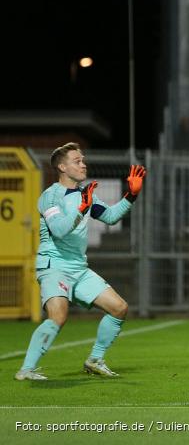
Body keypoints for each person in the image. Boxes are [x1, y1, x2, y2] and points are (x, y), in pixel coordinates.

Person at [15, 143, 146, 380]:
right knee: (59, 315)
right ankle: (26, 370)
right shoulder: (50, 196)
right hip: (53, 266)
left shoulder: (86, 195)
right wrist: (81, 209)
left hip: (78, 268)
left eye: (83, 159)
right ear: (62, 167)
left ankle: (95, 360)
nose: (83, 164)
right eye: (77, 161)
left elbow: (110, 217)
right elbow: (59, 230)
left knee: (119, 308)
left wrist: (131, 195)